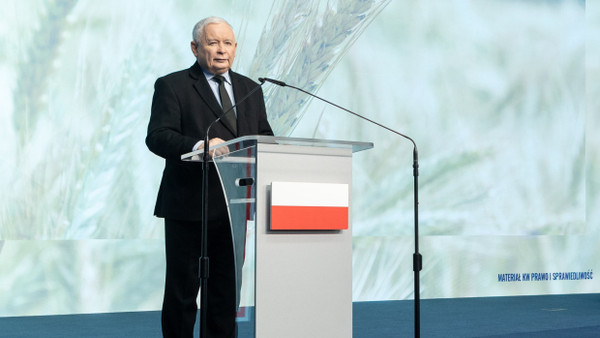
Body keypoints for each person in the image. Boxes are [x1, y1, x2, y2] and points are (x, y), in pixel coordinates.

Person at [146, 16, 274, 338]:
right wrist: (197, 146)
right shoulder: (172, 85)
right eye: (213, 42)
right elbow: (158, 136)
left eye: (228, 43)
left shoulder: (250, 89)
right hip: (189, 204)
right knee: (182, 292)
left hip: (235, 207)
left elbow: (264, 136)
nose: (221, 50)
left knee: (224, 293)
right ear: (195, 47)